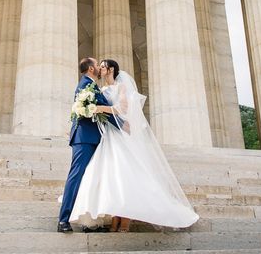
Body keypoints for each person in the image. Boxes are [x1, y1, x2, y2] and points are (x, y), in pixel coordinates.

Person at [69, 59, 199, 232]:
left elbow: (123, 108)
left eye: (103, 66)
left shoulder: (121, 87)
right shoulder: (100, 90)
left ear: (111, 69)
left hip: (119, 136)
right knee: (112, 176)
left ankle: (124, 222)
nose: (100, 68)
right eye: (98, 65)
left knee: (125, 174)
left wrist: (99, 108)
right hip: (107, 136)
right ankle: (115, 218)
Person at [57, 57, 118, 233]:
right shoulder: (85, 85)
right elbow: (97, 108)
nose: (100, 67)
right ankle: (63, 220)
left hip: (95, 138)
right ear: (91, 68)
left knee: (91, 179)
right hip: (84, 138)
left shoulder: (91, 85)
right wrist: (122, 125)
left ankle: (90, 222)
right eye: (97, 65)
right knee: (76, 177)